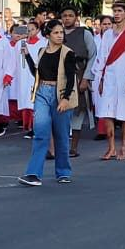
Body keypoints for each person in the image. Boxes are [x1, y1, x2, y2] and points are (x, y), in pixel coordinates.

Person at [18, 20, 80, 187]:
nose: (60, 36)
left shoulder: (68, 53)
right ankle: (33, 173)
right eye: (56, 33)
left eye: (61, 33)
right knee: (41, 133)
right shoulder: (41, 51)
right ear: (48, 35)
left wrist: (66, 98)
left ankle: (63, 172)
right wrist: (27, 57)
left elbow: (70, 78)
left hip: (59, 94)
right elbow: (37, 73)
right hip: (42, 93)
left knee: (61, 135)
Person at [86, 1, 125, 160]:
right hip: (109, 77)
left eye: (120, 11)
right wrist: (100, 79)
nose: (116, 14)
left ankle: (123, 148)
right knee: (107, 112)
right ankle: (111, 148)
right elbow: (102, 57)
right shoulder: (107, 34)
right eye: (114, 11)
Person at [59, 6, 96, 136]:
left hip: (79, 74)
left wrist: (86, 78)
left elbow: (92, 56)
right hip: (60, 76)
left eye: (70, 15)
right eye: (65, 15)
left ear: (76, 17)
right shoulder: (57, 33)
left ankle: (73, 147)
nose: (67, 18)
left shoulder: (84, 33)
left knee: (78, 109)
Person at [14, 23, 45, 144]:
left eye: (33, 29)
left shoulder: (43, 43)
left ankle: (36, 128)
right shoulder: (20, 44)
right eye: (28, 29)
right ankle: (28, 126)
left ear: (38, 30)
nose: (30, 31)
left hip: (35, 76)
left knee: (35, 102)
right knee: (26, 102)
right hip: (23, 77)